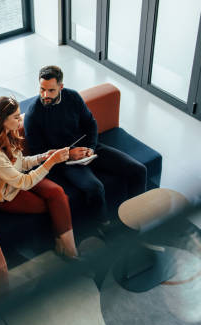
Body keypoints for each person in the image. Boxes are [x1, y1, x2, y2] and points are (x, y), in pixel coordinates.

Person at [24, 65, 147, 228]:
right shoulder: (33, 114)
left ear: (61, 87)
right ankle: (104, 227)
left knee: (139, 170)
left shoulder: (73, 97)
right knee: (95, 188)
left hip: (89, 149)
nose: (45, 95)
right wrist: (69, 154)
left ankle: (135, 218)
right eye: (42, 89)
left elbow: (90, 123)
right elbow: (38, 154)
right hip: (64, 162)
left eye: (51, 90)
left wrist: (91, 147)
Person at [0, 96, 79, 259]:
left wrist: (43, 157)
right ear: (2, 120)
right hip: (5, 195)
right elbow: (24, 183)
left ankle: (67, 248)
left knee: (58, 194)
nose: (20, 119)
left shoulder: (8, 133)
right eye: (16, 117)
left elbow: (22, 163)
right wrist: (52, 161)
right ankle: (67, 251)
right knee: (52, 206)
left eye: (19, 115)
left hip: (16, 179)